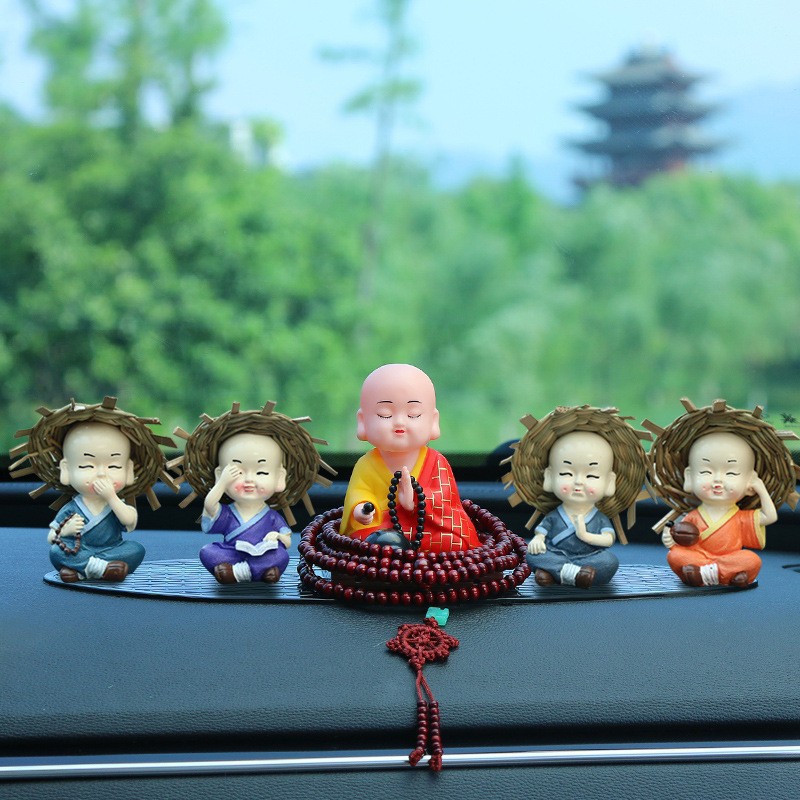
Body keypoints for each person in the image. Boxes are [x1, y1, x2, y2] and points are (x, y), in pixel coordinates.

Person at [341, 364, 480, 552]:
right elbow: (359, 495)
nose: (399, 422)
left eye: (413, 414)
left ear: (433, 421)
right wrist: (362, 511)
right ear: (363, 422)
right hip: (383, 528)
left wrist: (415, 500)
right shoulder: (366, 464)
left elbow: (447, 504)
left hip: (426, 528)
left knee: (454, 543)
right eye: (385, 415)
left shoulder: (436, 462)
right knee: (370, 543)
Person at [662, 431, 776, 588]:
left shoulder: (740, 517)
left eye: (731, 473)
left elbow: (770, 517)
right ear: (689, 477)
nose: (717, 480)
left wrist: (761, 489)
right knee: (675, 555)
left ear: (749, 481)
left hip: (728, 558)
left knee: (752, 559)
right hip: (698, 557)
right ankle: (724, 574)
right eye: (706, 472)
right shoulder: (693, 517)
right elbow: (681, 541)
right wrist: (670, 540)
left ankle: (703, 574)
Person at [48, 422, 145, 582]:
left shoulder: (115, 504)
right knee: (56, 551)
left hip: (111, 550)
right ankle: (104, 569)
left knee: (136, 549)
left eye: (113, 466)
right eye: (87, 466)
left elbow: (129, 521)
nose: (101, 474)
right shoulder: (72, 508)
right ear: (66, 470)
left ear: (128, 471)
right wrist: (65, 531)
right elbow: (52, 536)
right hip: (79, 549)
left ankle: (81, 570)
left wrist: (111, 497)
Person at [526, 431, 619, 588]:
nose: (578, 482)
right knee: (531, 554)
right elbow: (541, 534)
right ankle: (577, 576)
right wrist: (537, 540)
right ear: (549, 477)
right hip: (556, 554)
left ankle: (554, 573)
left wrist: (585, 536)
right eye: (566, 473)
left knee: (609, 561)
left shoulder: (599, 518)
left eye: (591, 476)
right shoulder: (554, 516)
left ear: (609, 482)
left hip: (589, 558)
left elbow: (608, 540)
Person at [199, 432, 291, 584]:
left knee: (281, 555)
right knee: (207, 552)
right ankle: (261, 571)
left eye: (261, 472)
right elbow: (209, 505)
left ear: (279, 478)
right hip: (232, 554)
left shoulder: (272, 516)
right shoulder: (228, 513)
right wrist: (222, 483)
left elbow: (287, 541)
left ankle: (236, 573)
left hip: (262, 554)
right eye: (238, 473)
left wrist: (277, 536)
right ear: (220, 475)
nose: (249, 479)